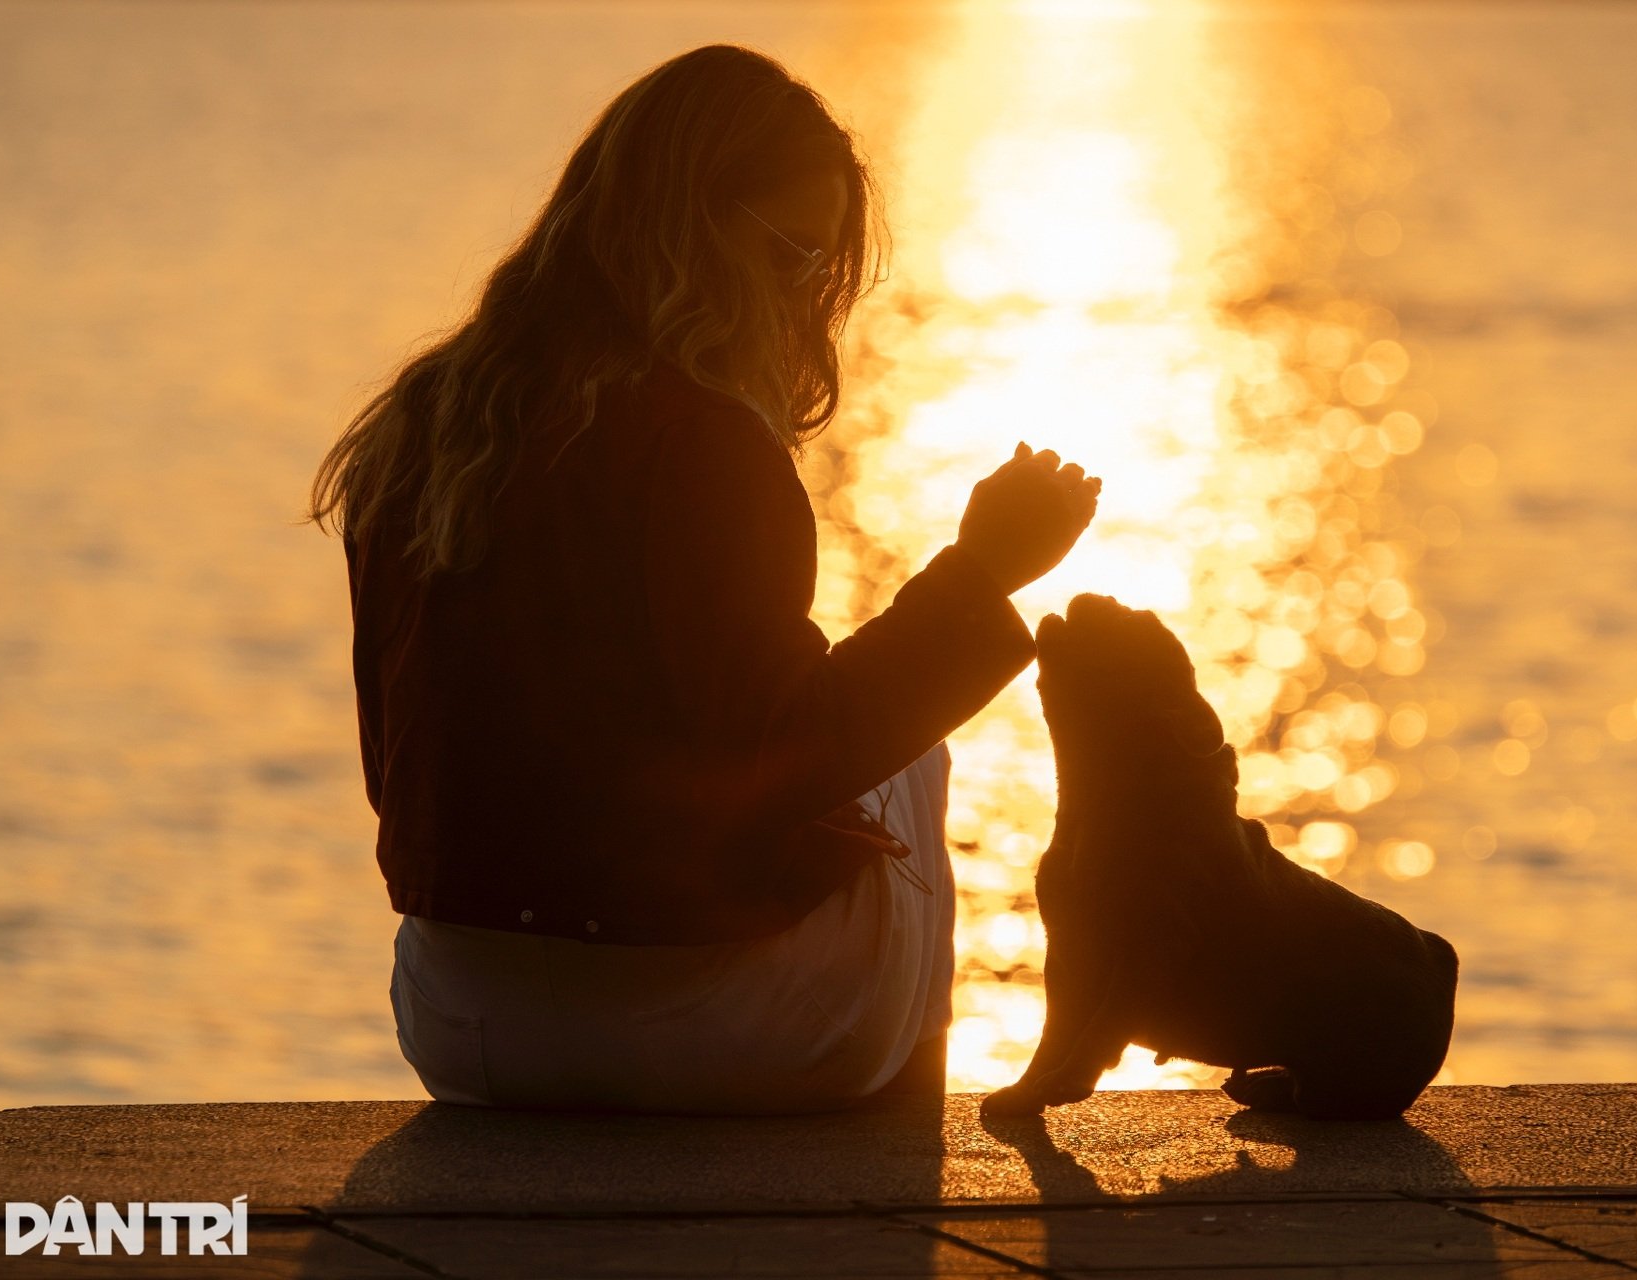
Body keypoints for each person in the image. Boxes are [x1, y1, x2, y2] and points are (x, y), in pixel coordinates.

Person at [307, 44, 1099, 1113]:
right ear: (687, 226)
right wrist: (980, 572)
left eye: (820, 267)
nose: (805, 295)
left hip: (461, 1021)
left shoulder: (422, 420)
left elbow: (397, 763)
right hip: (689, 1028)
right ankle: (903, 1161)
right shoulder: (702, 439)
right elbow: (783, 749)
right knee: (911, 759)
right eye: (790, 254)